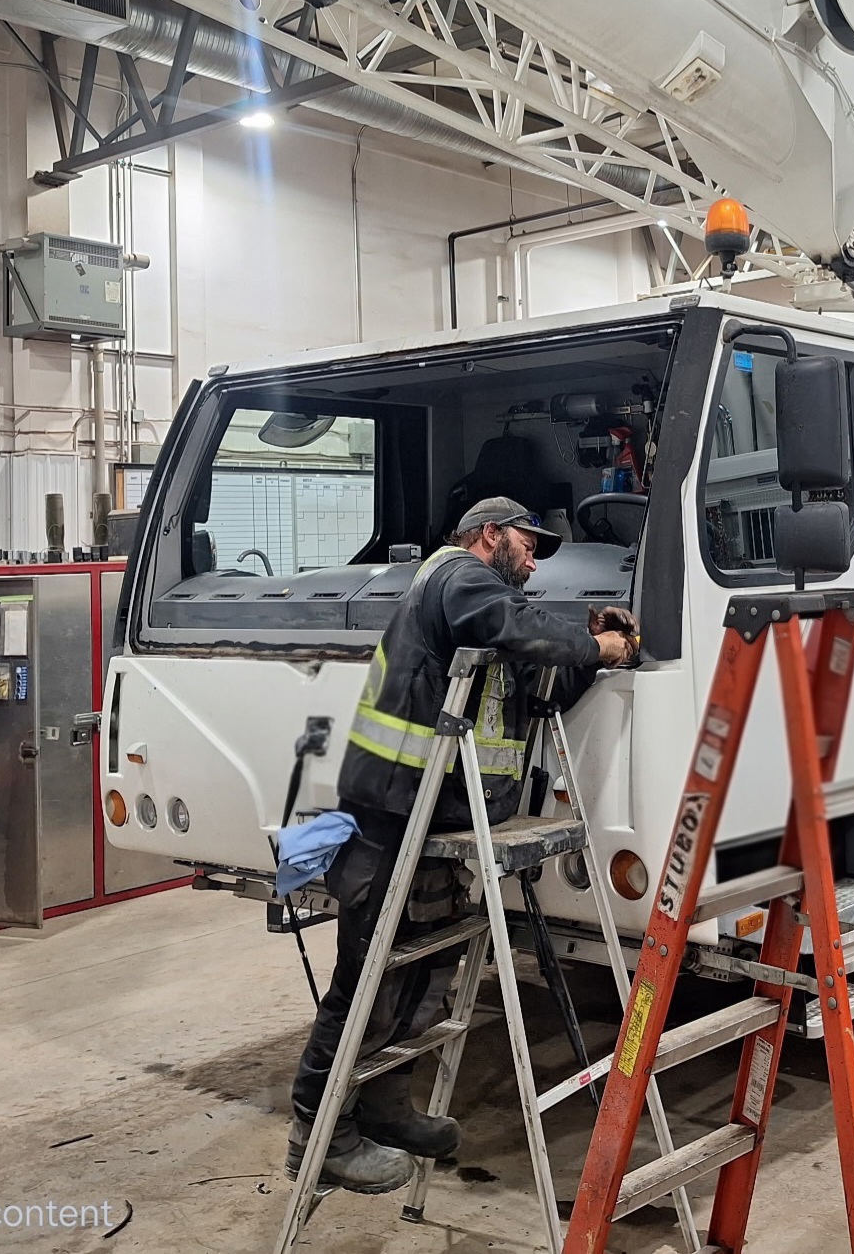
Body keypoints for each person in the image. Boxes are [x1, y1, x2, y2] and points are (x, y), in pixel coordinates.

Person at [287, 496, 637, 1194]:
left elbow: (540, 685)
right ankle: (319, 1139)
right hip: (391, 817)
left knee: (424, 978)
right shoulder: (454, 576)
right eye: (527, 545)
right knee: (366, 984)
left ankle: (385, 1107)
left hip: (439, 820)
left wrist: (589, 650)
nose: (533, 562)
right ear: (489, 534)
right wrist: (597, 644)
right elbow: (517, 624)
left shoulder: (486, 614)